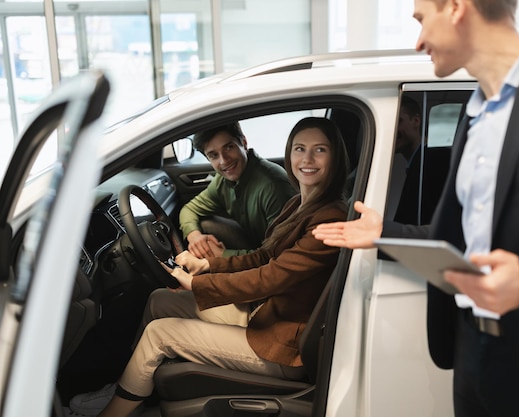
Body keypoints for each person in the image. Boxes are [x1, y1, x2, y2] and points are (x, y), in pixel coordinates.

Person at [314, 0, 519, 416]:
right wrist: (383, 234)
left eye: (422, 20)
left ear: (458, 8)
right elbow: (463, 237)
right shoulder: (475, 111)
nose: (419, 40)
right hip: (473, 357)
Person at [68, 117, 349, 417]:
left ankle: (113, 411)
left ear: (336, 157)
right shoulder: (301, 205)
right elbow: (263, 257)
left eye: (319, 150)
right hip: (265, 314)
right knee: (159, 300)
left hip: (280, 345)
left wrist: (198, 284)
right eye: (299, 148)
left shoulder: (328, 218)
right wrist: (207, 265)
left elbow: (270, 278)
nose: (306, 159)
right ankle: (129, 386)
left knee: (159, 334)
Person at [179, 122, 296, 258]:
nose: (224, 161)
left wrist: (222, 256)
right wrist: (194, 236)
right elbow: (189, 209)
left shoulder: (273, 186)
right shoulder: (222, 181)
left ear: (244, 143)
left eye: (229, 147)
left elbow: (281, 254)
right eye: (214, 155)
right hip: (258, 246)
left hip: (277, 259)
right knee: (205, 225)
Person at [392, 95, 451, 225]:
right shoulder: (420, 161)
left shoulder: (436, 160)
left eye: (399, 121)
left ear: (416, 121)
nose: (393, 129)